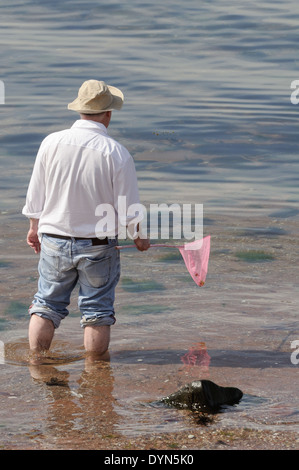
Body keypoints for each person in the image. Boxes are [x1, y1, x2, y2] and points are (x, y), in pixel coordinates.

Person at [22, 79, 150, 356]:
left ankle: (36, 362)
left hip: (54, 238)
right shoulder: (116, 152)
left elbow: (36, 192)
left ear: (80, 110)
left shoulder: (51, 142)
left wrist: (33, 227)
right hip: (98, 244)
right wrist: (139, 237)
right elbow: (129, 206)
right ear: (109, 114)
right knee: (97, 311)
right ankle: (95, 371)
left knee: (46, 305)